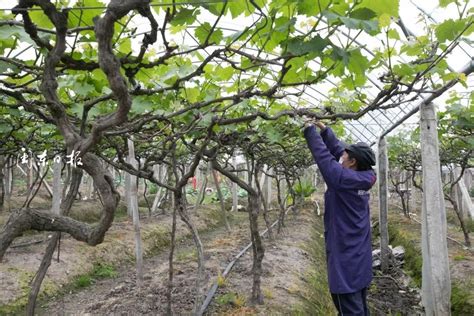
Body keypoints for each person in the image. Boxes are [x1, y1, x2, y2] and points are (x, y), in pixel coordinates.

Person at [303, 121, 376, 316]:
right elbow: (338, 152)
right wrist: (326, 131)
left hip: (346, 259)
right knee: (359, 306)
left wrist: (310, 131)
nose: (341, 155)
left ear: (352, 162)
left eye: (345, 155)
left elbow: (325, 159)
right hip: (358, 257)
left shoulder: (342, 179)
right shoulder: (365, 175)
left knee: (349, 308)